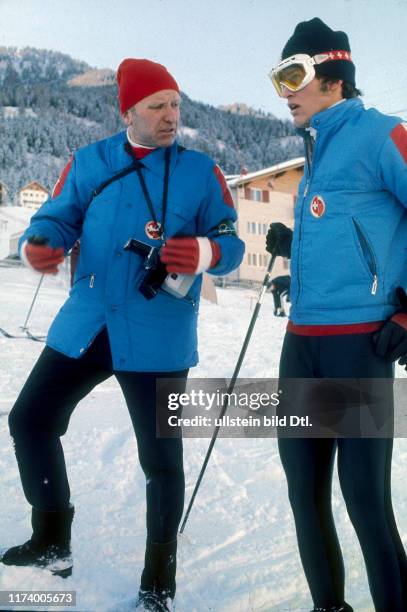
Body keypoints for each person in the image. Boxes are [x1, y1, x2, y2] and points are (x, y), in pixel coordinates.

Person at [1, 58, 244, 611]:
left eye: (176, 105)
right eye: (157, 106)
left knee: (161, 462)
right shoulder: (90, 161)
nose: (170, 116)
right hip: (89, 323)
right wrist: (38, 241)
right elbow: (57, 219)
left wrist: (205, 251)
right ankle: (50, 544)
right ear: (128, 111)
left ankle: (159, 585)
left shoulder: (199, 170)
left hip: (158, 332)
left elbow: (230, 243)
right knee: (31, 421)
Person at [266, 18, 407, 612]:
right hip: (302, 344)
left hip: (359, 347)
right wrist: (292, 251)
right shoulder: (315, 150)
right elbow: (350, 236)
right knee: (306, 494)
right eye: (278, 79)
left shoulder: (382, 134)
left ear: (333, 77)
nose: (286, 92)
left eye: (294, 75)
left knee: (365, 502)